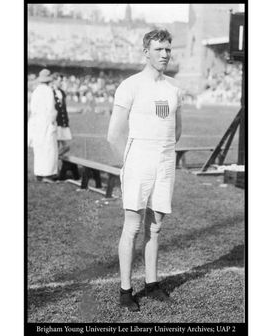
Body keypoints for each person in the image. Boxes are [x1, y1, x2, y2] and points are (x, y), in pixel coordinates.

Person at [106, 29, 182, 312]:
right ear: (146, 52)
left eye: (168, 49)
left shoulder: (174, 88)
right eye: (159, 49)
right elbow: (114, 134)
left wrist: (161, 153)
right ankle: (126, 290)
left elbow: (177, 129)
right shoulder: (130, 85)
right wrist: (129, 164)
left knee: (156, 225)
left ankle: (151, 284)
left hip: (165, 160)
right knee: (133, 226)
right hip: (138, 160)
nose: (165, 54)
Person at [28, 69, 59, 183]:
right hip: (45, 121)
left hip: (36, 122)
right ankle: (47, 174)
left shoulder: (36, 91)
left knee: (39, 147)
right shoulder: (48, 91)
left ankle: (39, 172)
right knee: (48, 147)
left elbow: (33, 108)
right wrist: (53, 120)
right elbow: (50, 108)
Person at [50, 73, 72, 156]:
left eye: (62, 81)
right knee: (56, 144)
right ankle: (55, 162)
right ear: (54, 81)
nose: (61, 83)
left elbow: (64, 107)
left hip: (62, 121)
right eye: (59, 81)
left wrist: (66, 120)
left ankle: (56, 159)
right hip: (56, 121)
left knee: (64, 146)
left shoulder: (62, 92)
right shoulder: (51, 92)